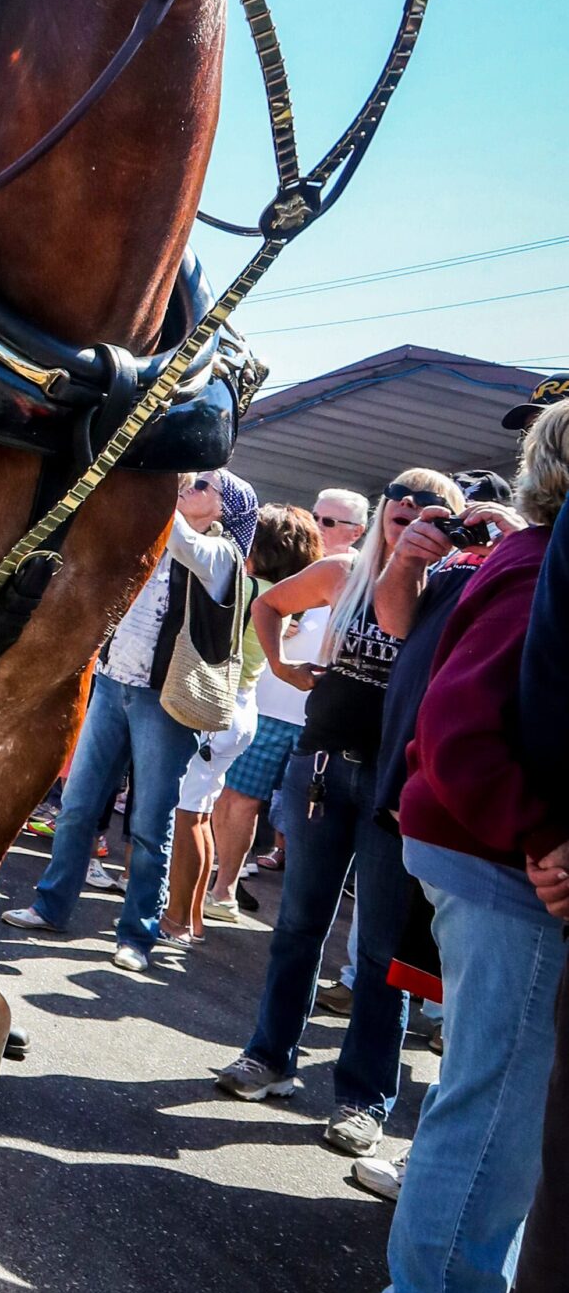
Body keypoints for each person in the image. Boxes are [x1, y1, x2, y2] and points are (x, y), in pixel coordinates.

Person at [360, 404, 569, 1293]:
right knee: (489, 1102)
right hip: (496, 862)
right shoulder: (538, 566)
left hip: (486, 853)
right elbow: (454, 727)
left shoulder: (528, 555)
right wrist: (538, 834)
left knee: (493, 1098)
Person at [212, 466, 463, 1154]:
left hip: (392, 789)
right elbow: (267, 606)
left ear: (450, 523)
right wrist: (286, 669)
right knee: (297, 926)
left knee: (382, 953)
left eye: (430, 507)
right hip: (320, 768)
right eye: (400, 501)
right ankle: (268, 1058)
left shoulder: (449, 589)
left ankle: (363, 1102)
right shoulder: (343, 569)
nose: (410, 512)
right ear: (383, 509)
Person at [3, 469, 258, 973]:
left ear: (224, 510)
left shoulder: (222, 555)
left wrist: (162, 479)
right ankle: (50, 907)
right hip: (114, 683)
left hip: (165, 701)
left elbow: (182, 541)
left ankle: (138, 936)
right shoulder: (162, 534)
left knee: (149, 824)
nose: (190, 486)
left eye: (203, 485)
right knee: (77, 806)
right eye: (190, 481)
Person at [166, 503, 321, 940]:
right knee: (200, 814)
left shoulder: (248, 589)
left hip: (216, 710)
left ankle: (177, 921)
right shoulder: (280, 598)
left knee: (189, 816)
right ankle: (194, 915)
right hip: (239, 711)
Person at [211, 490, 365, 909]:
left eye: (330, 522)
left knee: (310, 822)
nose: (319, 524)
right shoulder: (286, 569)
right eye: (316, 516)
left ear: (358, 532)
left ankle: (295, 907)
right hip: (267, 708)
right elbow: (261, 611)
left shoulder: (360, 578)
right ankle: (223, 888)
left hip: (319, 720)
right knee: (238, 799)